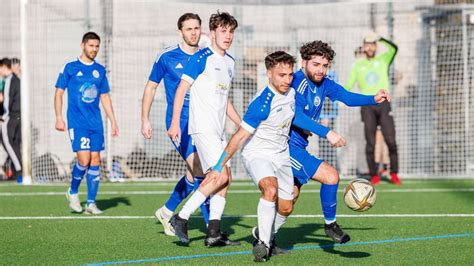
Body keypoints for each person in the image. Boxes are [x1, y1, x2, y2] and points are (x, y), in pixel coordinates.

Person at [274, 41, 390, 246]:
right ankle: (330, 225)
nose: (321, 70)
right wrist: (328, 133)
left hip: (298, 146)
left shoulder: (324, 83)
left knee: (288, 203)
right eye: (316, 64)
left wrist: (374, 98)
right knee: (331, 176)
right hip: (285, 147)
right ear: (304, 63)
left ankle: (263, 235)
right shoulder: (297, 83)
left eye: (324, 65)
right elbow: (296, 116)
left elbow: (345, 96)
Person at [206, 51, 298, 261]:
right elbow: (239, 137)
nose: (287, 80)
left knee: (286, 207)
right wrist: (220, 164)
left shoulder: (291, 92)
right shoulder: (261, 103)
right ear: (269, 74)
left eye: (290, 75)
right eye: (281, 75)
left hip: (281, 154)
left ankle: (263, 233)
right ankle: (263, 245)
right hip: (257, 153)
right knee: (270, 189)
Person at [168, 11, 241, 247]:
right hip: (202, 128)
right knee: (220, 174)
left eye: (231, 31)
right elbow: (181, 89)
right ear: (213, 33)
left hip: (218, 131)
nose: (227, 36)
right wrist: (175, 122)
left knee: (225, 180)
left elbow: (225, 99)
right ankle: (181, 217)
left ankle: (213, 233)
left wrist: (241, 125)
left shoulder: (230, 62)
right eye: (223, 31)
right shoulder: (201, 58)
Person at [141, 13, 211, 236]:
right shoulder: (167, 56)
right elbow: (151, 87)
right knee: (202, 170)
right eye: (188, 29)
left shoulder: (206, 56)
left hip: (204, 123)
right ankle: (212, 228)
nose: (193, 32)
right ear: (180, 31)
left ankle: (166, 210)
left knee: (193, 176)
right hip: (179, 124)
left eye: (197, 28)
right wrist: (145, 118)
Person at [54, 32, 119, 214]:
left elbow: (105, 96)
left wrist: (113, 121)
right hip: (77, 121)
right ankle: (72, 191)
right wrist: (59, 117)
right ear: (83, 45)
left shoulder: (100, 70)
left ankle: (91, 203)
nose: (94, 49)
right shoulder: (70, 67)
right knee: (84, 159)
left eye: (97, 46)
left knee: (96, 159)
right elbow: (59, 93)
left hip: (95, 122)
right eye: (91, 46)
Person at [345, 33, 401, 185]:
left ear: (376, 46)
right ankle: (374, 174)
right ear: (364, 47)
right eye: (367, 44)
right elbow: (348, 85)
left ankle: (394, 173)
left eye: (372, 44)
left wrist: (381, 38)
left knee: (391, 140)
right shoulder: (358, 65)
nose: (369, 47)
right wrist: (337, 94)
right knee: (370, 143)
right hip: (367, 105)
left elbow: (394, 48)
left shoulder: (383, 60)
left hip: (384, 104)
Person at [0, 58, 22, 182]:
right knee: (14, 145)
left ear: (3, 67)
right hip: (18, 117)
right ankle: (16, 171)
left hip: (11, 117)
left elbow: (7, 101)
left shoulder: (9, 81)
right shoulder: (17, 81)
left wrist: (4, 116)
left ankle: (20, 172)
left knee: (7, 142)